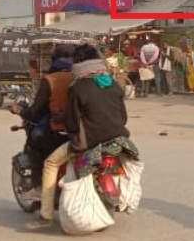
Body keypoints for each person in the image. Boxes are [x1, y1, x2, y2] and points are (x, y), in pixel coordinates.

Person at [27, 43, 130, 231]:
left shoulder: (78, 86)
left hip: (90, 140)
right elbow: (123, 117)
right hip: (117, 138)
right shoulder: (112, 83)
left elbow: (73, 122)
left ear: (80, 62)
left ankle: (46, 216)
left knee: (50, 163)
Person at [8, 44, 74, 164]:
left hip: (59, 131)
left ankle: (38, 179)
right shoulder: (85, 78)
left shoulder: (51, 79)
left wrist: (20, 111)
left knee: (37, 141)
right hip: (86, 132)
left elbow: (36, 112)